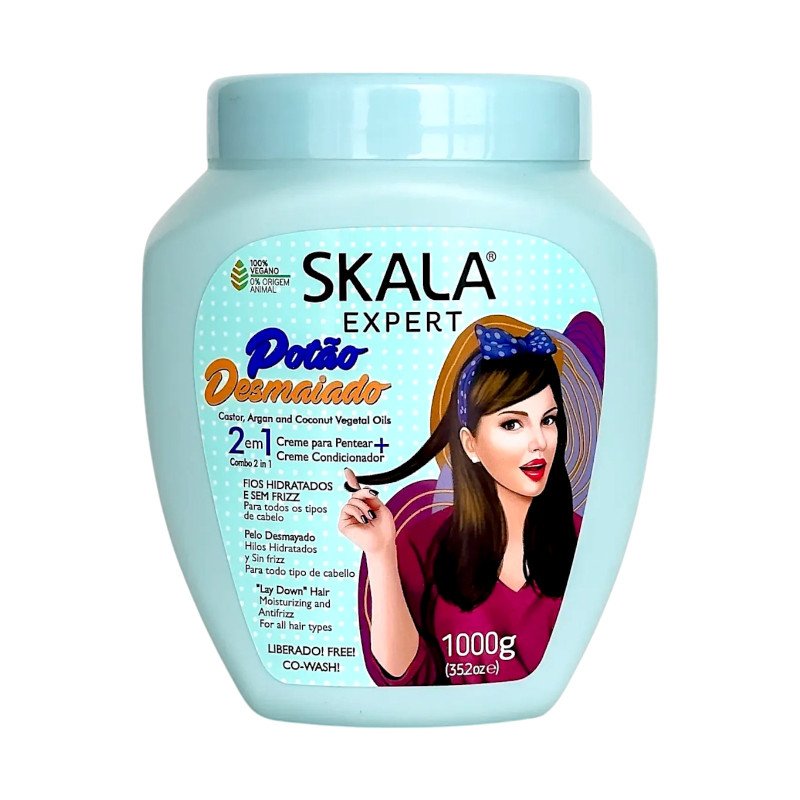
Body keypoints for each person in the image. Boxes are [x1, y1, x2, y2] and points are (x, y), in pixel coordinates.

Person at [338, 323, 580, 685]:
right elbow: (404, 675)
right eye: (512, 424)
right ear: (470, 444)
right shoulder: (421, 543)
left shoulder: (585, 538)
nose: (539, 442)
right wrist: (380, 551)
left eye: (547, 420)